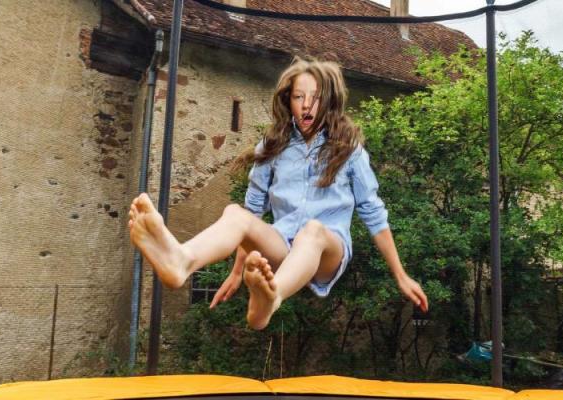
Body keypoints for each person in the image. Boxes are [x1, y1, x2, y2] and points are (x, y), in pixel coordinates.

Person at [127, 58, 427, 330]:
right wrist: (236, 273)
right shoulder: (272, 148)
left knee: (313, 230)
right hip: (284, 247)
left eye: (315, 98)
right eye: (299, 97)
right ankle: (182, 260)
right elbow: (253, 211)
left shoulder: (349, 151)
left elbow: (373, 213)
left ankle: (274, 296)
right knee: (236, 213)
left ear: (329, 102)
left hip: (328, 251)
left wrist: (400, 275)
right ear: (289, 100)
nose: (306, 106)